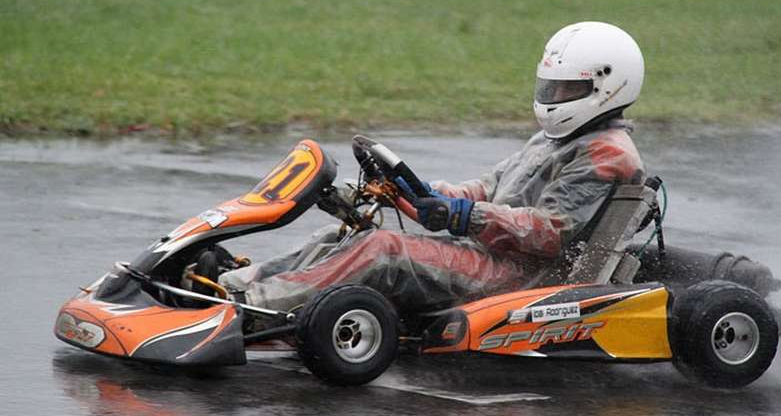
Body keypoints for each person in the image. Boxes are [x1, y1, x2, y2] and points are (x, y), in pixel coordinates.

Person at [219, 21, 646, 313]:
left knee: (385, 249)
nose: (554, 96)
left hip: (522, 279)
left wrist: (465, 217)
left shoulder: (607, 153)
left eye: (567, 88)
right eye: (550, 86)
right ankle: (239, 284)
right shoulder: (556, 139)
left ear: (607, 86)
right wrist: (415, 191)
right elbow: (487, 188)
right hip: (492, 257)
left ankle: (256, 306)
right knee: (346, 233)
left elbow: (550, 232)